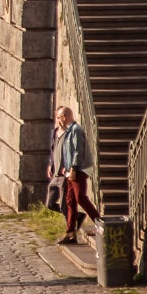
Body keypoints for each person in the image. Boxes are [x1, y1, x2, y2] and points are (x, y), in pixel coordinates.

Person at [50, 105, 100, 244]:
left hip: (78, 170)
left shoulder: (76, 131)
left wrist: (73, 169)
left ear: (64, 117)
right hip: (69, 171)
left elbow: (77, 151)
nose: (58, 121)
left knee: (80, 198)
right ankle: (70, 233)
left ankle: (101, 225)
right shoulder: (68, 131)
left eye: (59, 118)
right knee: (70, 201)